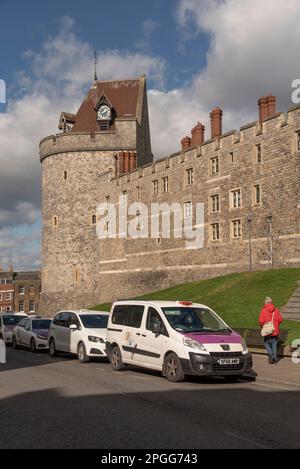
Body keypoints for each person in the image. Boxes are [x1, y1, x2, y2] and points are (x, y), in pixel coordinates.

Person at [259, 297, 283, 364]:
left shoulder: (263, 310)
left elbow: (261, 321)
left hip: (267, 331)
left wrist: (262, 326)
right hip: (274, 331)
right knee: (274, 344)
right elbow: (280, 319)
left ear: (266, 303)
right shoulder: (276, 310)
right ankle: (275, 359)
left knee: (266, 343)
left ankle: (271, 356)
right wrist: (276, 325)